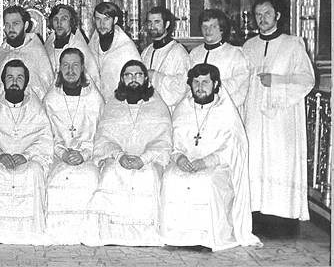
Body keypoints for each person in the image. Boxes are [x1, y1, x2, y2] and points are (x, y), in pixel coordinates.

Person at [160, 63, 261, 250]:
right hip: (185, 162)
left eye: (205, 82)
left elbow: (233, 147)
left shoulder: (226, 111)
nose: (200, 87)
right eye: (196, 82)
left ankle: (207, 238)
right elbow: (171, 141)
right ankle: (175, 236)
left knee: (206, 181)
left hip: (218, 166)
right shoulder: (183, 109)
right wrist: (180, 158)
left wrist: (206, 162)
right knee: (169, 178)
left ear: (215, 84)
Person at [243, 0, 315, 236]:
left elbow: (306, 80)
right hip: (254, 117)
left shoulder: (292, 45)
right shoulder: (249, 46)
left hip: (282, 120)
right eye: (258, 14)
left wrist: (277, 81)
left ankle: (282, 221)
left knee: (280, 163)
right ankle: (255, 216)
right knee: (255, 161)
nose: (262, 18)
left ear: (278, 15)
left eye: (267, 13)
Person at [82, 60, 171, 246]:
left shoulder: (158, 105)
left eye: (138, 75)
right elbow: (104, 138)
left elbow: (163, 140)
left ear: (146, 78)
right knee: (110, 173)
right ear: (122, 79)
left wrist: (143, 159)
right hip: (117, 159)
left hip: (148, 161)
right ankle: (111, 235)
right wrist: (119, 156)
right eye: (128, 75)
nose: (133, 79)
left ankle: (145, 237)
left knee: (148, 176)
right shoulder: (113, 105)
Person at [0, 59, 53, 245]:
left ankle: (31, 233)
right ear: (3, 80)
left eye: (19, 78)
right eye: (10, 77)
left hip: (28, 158)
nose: (14, 82)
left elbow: (44, 137)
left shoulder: (36, 108)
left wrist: (25, 156)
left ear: (26, 82)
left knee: (34, 171)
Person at [43, 48, 104, 244]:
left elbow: (102, 134)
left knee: (90, 178)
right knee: (56, 179)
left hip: (89, 156)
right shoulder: (51, 99)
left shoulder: (94, 99)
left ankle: (86, 233)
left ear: (83, 68)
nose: (70, 70)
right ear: (59, 68)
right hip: (57, 156)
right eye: (66, 65)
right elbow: (45, 135)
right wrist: (63, 153)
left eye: (75, 65)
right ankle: (58, 234)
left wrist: (83, 154)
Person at [189, 9, 250, 111]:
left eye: (213, 26)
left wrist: (216, 93)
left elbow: (242, 83)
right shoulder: (195, 53)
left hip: (225, 109)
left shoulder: (234, 54)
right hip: (198, 109)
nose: (208, 31)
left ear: (222, 29)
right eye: (204, 27)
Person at [88, 2, 141, 102]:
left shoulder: (126, 47)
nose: (102, 24)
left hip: (119, 104)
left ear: (115, 20)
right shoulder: (92, 44)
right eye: (98, 19)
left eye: (106, 19)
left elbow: (137, 82)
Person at [140, 6, 190, 109]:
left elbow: (182, 87)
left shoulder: (178, 52)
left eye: (157, 22)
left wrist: (155, 76)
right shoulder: (146, 51)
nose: (152, 26)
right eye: (149, 22)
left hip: (170, 110)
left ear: (166, 24)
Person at [0, 5, 54, 99]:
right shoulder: (3, 51)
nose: (11, 28)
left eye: (15, 23)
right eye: (7, 24)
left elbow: (45, 87)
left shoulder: (36, 51)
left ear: (26, 25)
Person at [43, 4, 99, 83]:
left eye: (64, 19)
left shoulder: (80, 47)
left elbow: (92, 78)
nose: (59, 23)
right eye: (56, 19)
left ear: (71, 22)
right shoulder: (48, 44)